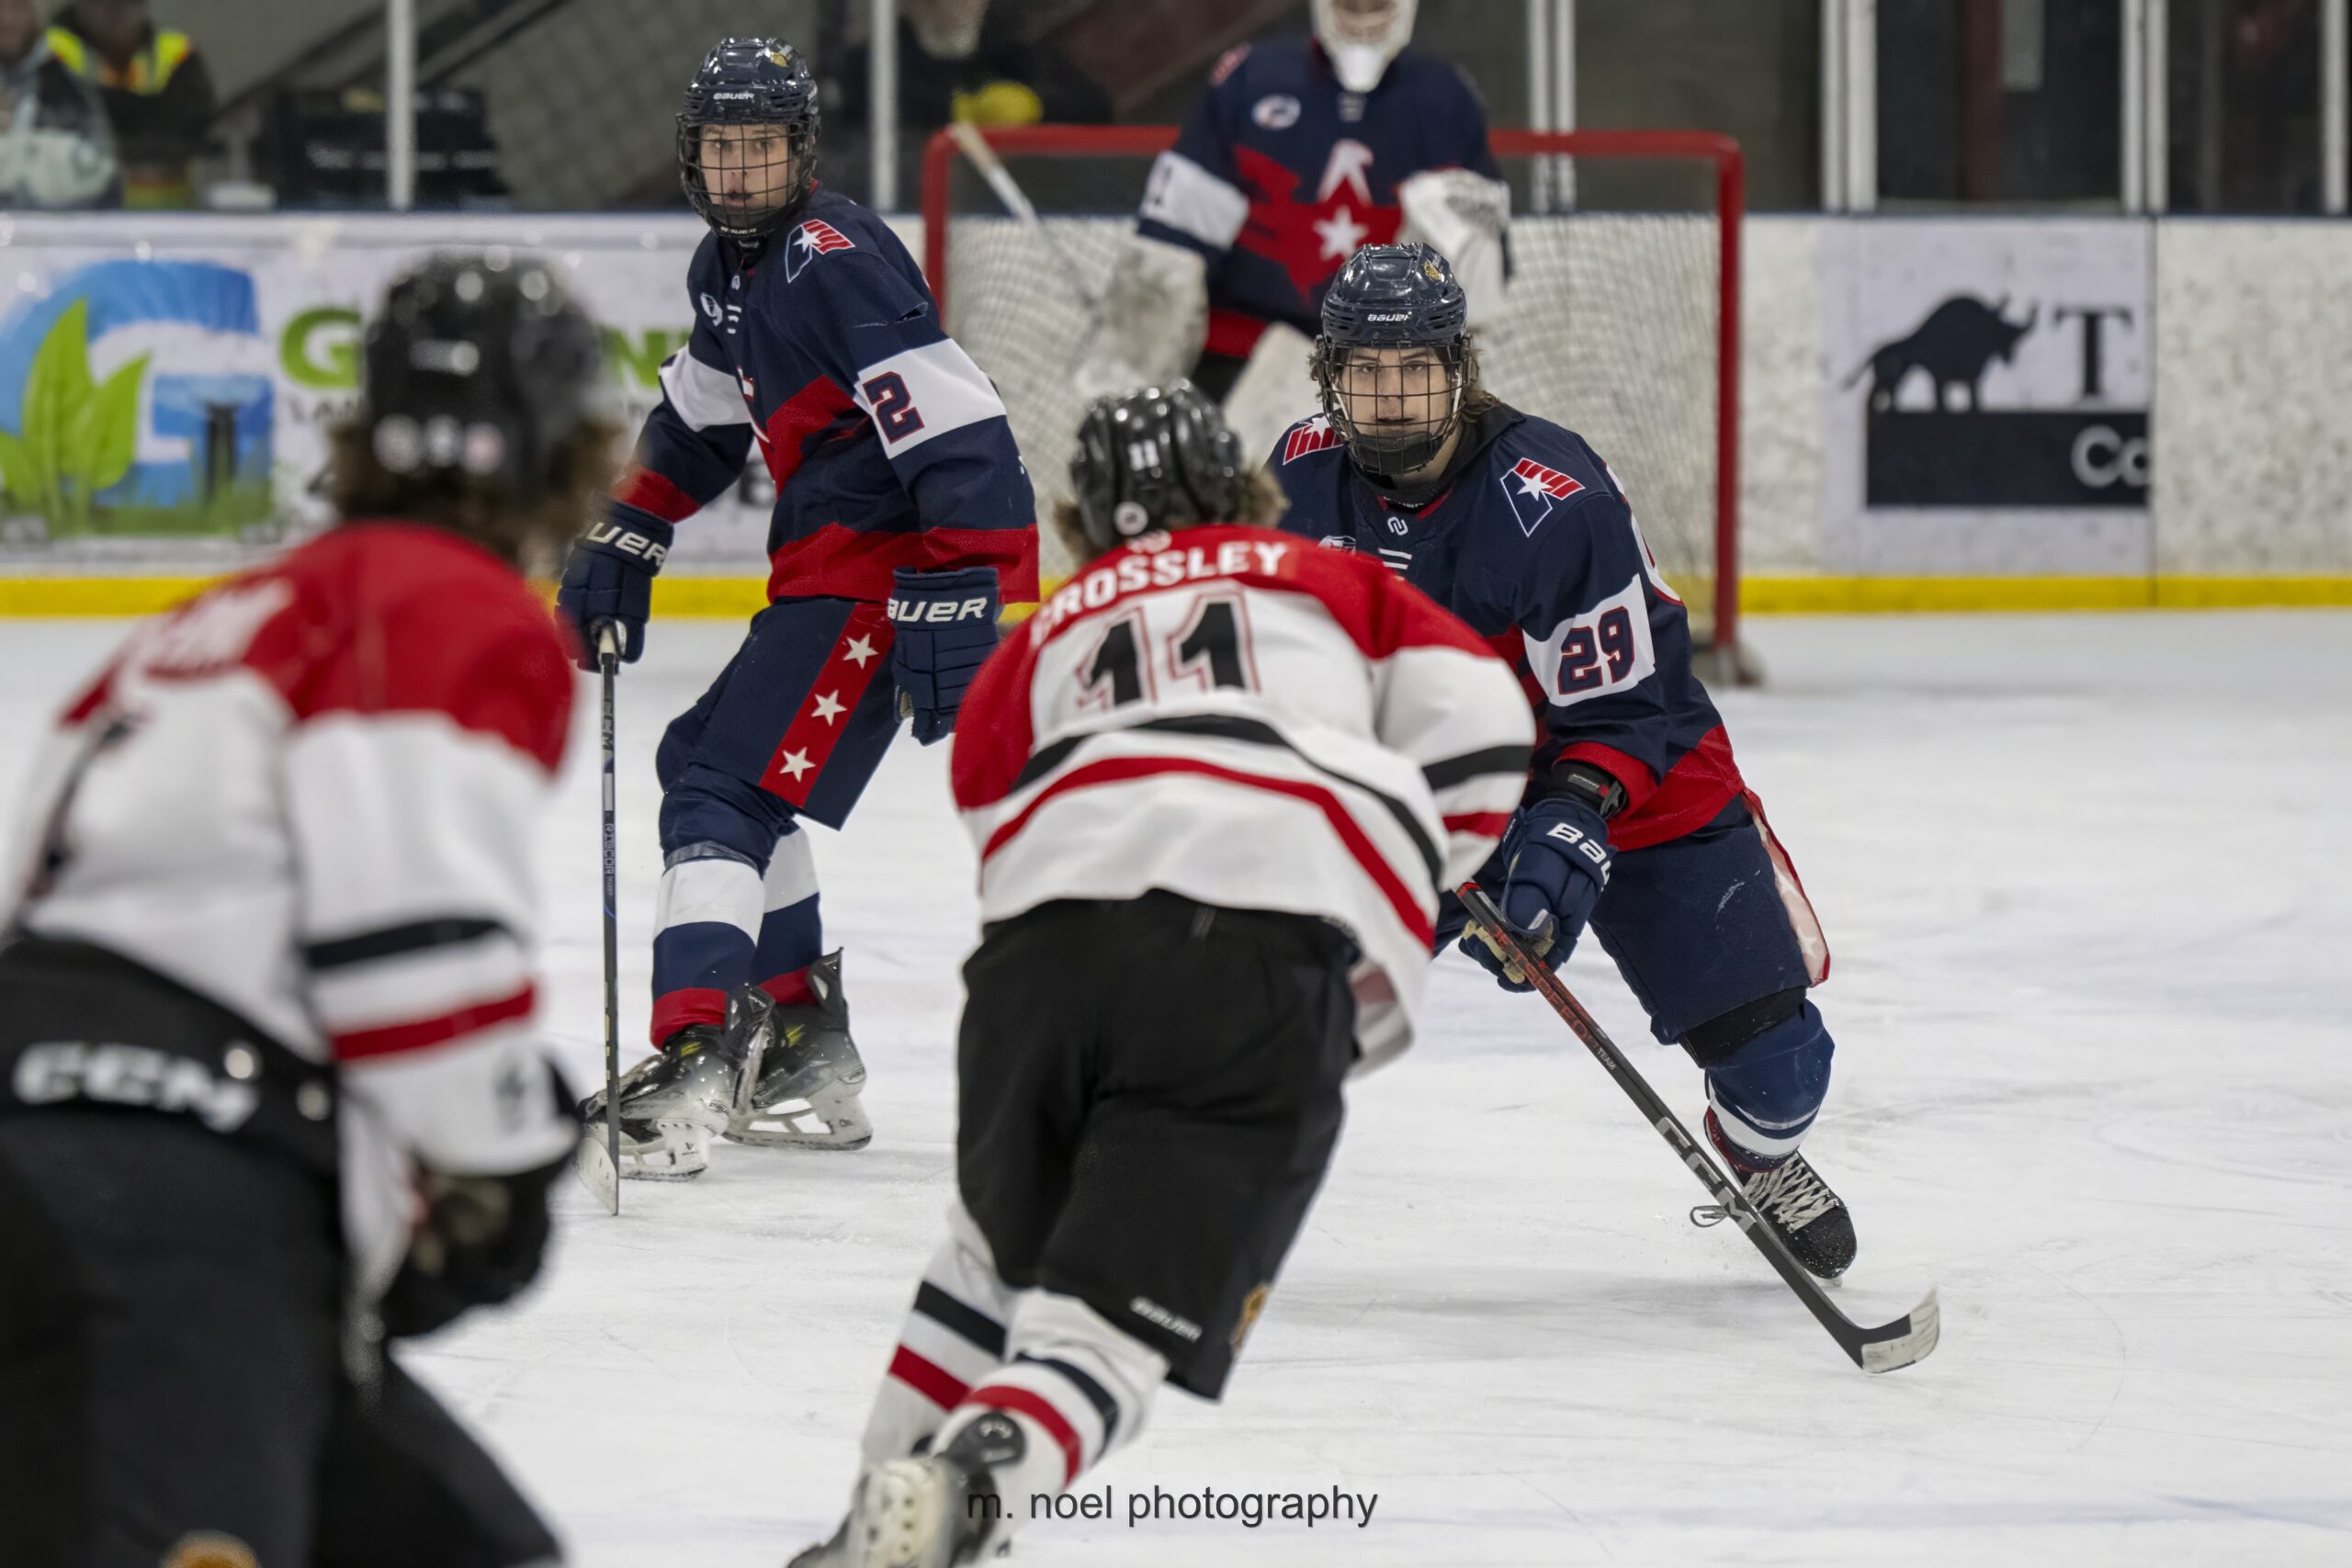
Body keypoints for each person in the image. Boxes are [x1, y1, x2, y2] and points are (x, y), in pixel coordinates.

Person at [785, 383, 1533, 1568]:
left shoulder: (1043, 634)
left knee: (982, 1260)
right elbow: (1487, 724)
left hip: (1041, 957)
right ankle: (967, 1489)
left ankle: (865, 1524)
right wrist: (1401, 863)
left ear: (1083, 519)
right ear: (1241, 487)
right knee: (1100, 1347)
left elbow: (988, 805)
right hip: (1250, 959)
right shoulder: (1322, 577)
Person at [0, 252, 612, 1567]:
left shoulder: (211, 617)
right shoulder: (449, 604)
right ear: (565, 450)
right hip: (169, 1207)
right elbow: (412, 960)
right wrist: (510, 1150)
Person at [1270, 243, 1858, 1279]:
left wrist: (1568, 818)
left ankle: (1759, 1158)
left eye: (1416, 369)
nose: (1392, 397)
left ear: (1461, 367)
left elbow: (1627, 705)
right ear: (1329, 375)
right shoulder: (1298, 474)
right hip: (1441, 783)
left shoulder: (1551, 500)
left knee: (1780, 1075)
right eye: (1366, 371)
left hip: (1639, 774)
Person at [559, 38, 1035, 1179]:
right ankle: (799, 1043)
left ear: (801, 153)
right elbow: (696, 423)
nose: (740, 171)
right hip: (824, 574)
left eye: (761, 149)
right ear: (693, 157)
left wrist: (964, 580)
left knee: (722, 790)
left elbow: (958, 419)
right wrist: (626, 524)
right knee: (701, 763)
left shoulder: (832, 256)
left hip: (879, 580)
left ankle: (696, 1054)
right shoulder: (727, 270)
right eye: (722, 149)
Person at [1082, 0, 1509, 452]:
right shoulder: (1254, 78)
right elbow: (1170, 247)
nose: (1364, 10)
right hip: (1235, 359)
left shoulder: (1446, 100)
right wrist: (1129, 384)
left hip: (1375, 373)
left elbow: (1472, 286)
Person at [47, 0, 212, 209]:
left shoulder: (176, 51)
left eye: (128, 3)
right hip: (82, 216)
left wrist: (107, 109)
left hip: (170, 215)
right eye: (105, 5)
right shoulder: (52, 50)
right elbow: (60, 118)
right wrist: (151, 113)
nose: (117, 13)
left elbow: (195, 126)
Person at [0, 0, 115, 209]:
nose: (7, 19)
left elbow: (101, 173)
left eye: (17, 7)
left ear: (35, 15)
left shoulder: (69, 90)